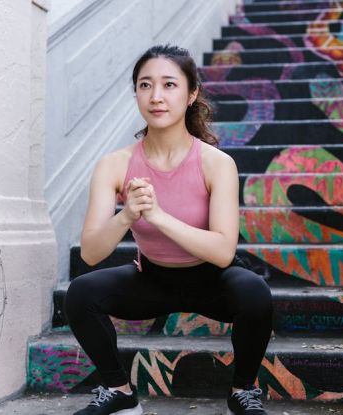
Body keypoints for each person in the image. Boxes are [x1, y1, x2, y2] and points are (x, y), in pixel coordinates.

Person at [65, 44, 273, 415]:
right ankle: (119, 392)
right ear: (136, 93)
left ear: (191, 93)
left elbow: (224, 251)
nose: (156, 96)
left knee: (255, 292)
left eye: (169, 85)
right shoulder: (114, 165)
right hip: (153, 280)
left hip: (213, 280)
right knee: (81, 293)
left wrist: (158, 217)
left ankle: (242, 390)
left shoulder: (216, 163)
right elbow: (91, 253)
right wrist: (127, 215)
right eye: (145, 85)